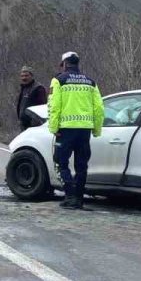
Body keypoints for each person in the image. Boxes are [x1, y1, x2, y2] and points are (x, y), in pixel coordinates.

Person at [48, 51, 104, 210]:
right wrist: (96, 130)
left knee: (60, 162)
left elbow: (54, 106)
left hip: (65, 130)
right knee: (81, 165)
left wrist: (54, 128)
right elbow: (99, 108)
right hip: (84, 131)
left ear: (64, 64)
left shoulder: (59, 80)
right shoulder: (91, 82)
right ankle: (79, 198)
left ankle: (70, 195)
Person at [16, 65, 48, 130]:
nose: (24, 78)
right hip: (23, 124)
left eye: (26, 76)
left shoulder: (38, 88)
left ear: (32, 76)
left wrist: (36, 122)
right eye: (22, 76)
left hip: (34, 126)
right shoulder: (23, 88)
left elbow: (43, 107)